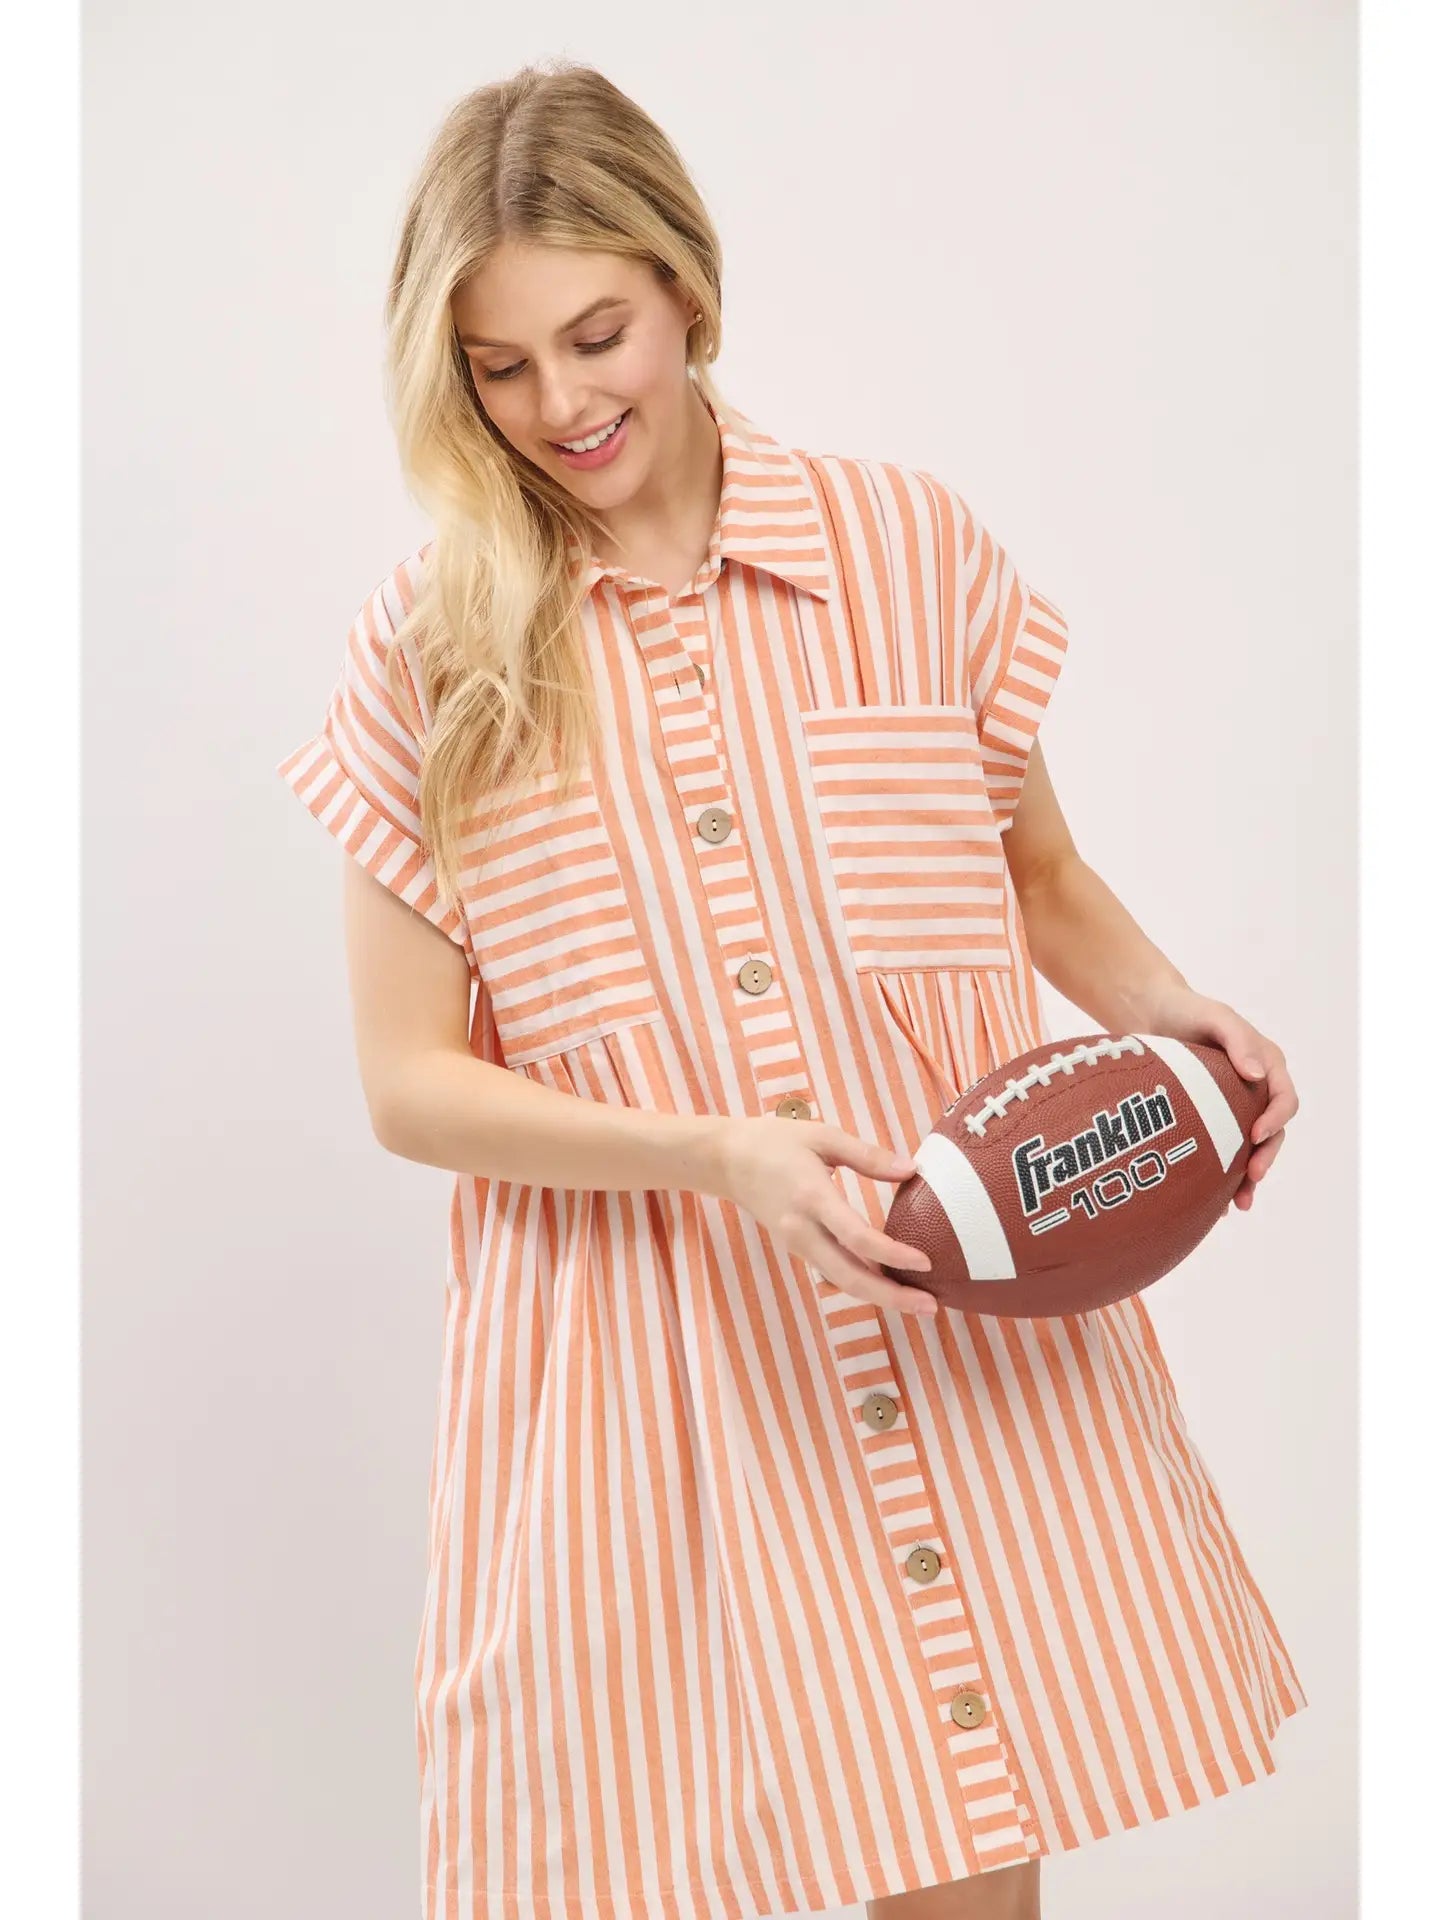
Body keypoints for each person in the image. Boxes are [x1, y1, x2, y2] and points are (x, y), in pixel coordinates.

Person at [276, 58, 1306, 1920]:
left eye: (597, 335)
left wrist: (1173, 1013)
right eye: (499, 367)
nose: (561, 404)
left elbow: (1036, 873)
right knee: (650, 1861)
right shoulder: (426, 656)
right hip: (649, 1380)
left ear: (687, 287)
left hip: (950, 1325)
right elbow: (407, 1084)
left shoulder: (909, 552)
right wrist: (715, 1152)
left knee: (964, 1860)